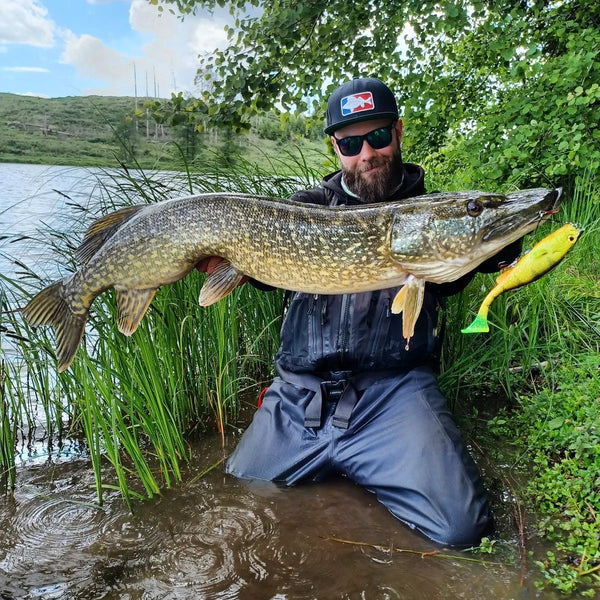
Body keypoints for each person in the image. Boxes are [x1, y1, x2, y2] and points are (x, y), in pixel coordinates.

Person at [199, 77, 521, 547]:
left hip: (395, 394)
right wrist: (227, 263)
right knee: (236, 508)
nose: (366, 153)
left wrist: (499, 248)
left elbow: (457, 267)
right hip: (299, 396)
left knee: (462, 530)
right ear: (336, 149)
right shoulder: (306, 210)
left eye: (377, 136)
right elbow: (261, 269)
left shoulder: (431, 213)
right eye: (351, 142)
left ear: (398, 132)